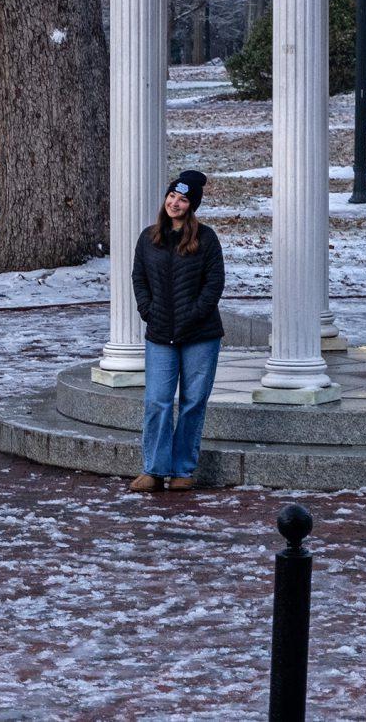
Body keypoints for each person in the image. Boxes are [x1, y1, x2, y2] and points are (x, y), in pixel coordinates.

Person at [129, 170, 226, 494]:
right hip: (160, 335)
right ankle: (153, 470)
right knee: (157, 401)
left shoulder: (206, 239)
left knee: (192, 401)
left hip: (200, 335)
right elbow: (139, 278)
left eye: (183, 199)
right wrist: (148, 311)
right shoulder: (149, 238)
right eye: (172, 196)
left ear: (192, 205)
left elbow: (214, 285)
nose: (175, 203)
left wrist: (192, 316)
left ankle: (183, 470)